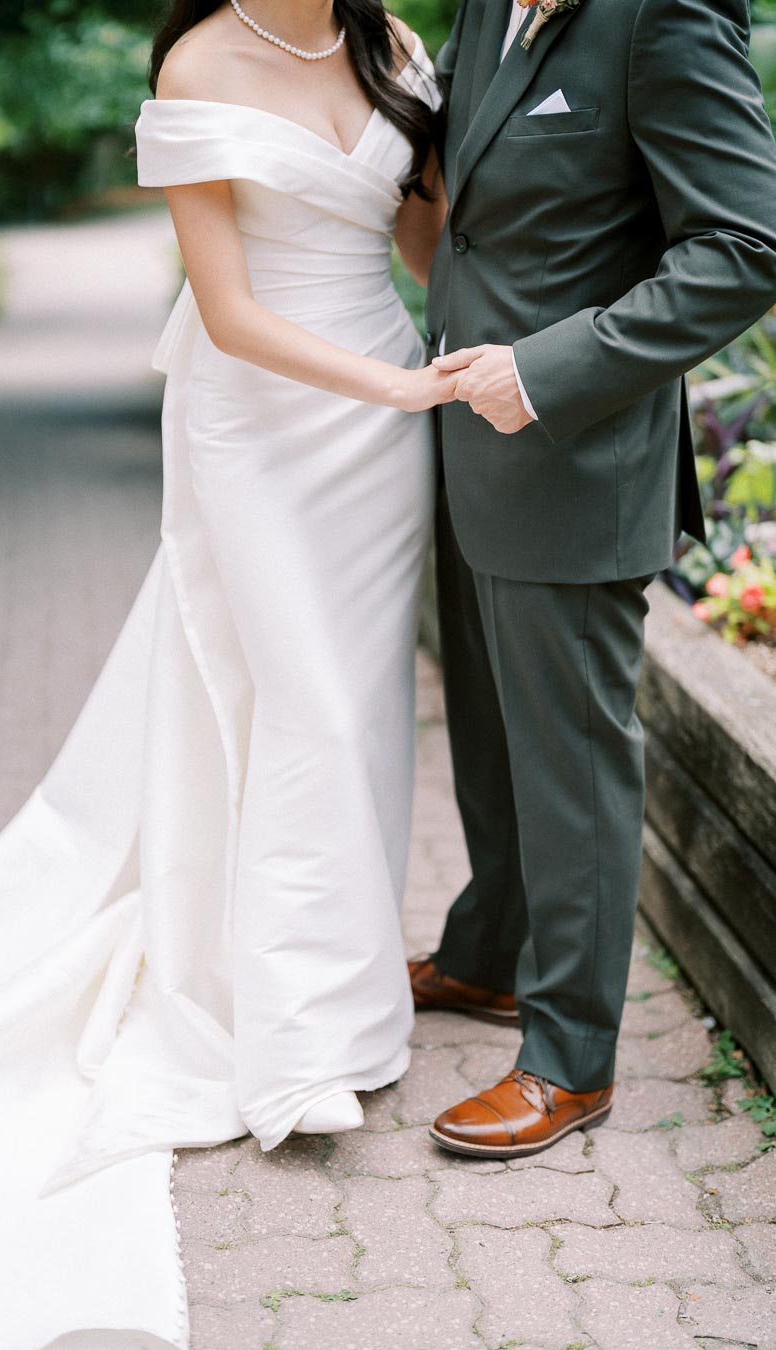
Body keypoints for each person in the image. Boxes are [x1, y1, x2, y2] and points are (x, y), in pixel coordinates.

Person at [0, 4, 452, 1346]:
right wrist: (401, 388)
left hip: (382, 430)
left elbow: (422, 243)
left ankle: (340, 1004)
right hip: (263, 419)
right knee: (303, 697)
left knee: (356, 711)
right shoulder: (198, 62)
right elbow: (232, 310)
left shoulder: (398, 48)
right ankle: (294, 1041)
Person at [413, 0, 776, 1159]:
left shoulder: (662, 17)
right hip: (462, 444)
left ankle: (571, 1061)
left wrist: (549, 369)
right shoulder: (481, 4)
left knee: (570, 758)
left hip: (575, 455)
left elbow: (746, 246)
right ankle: (489, 956)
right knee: (489, 730)